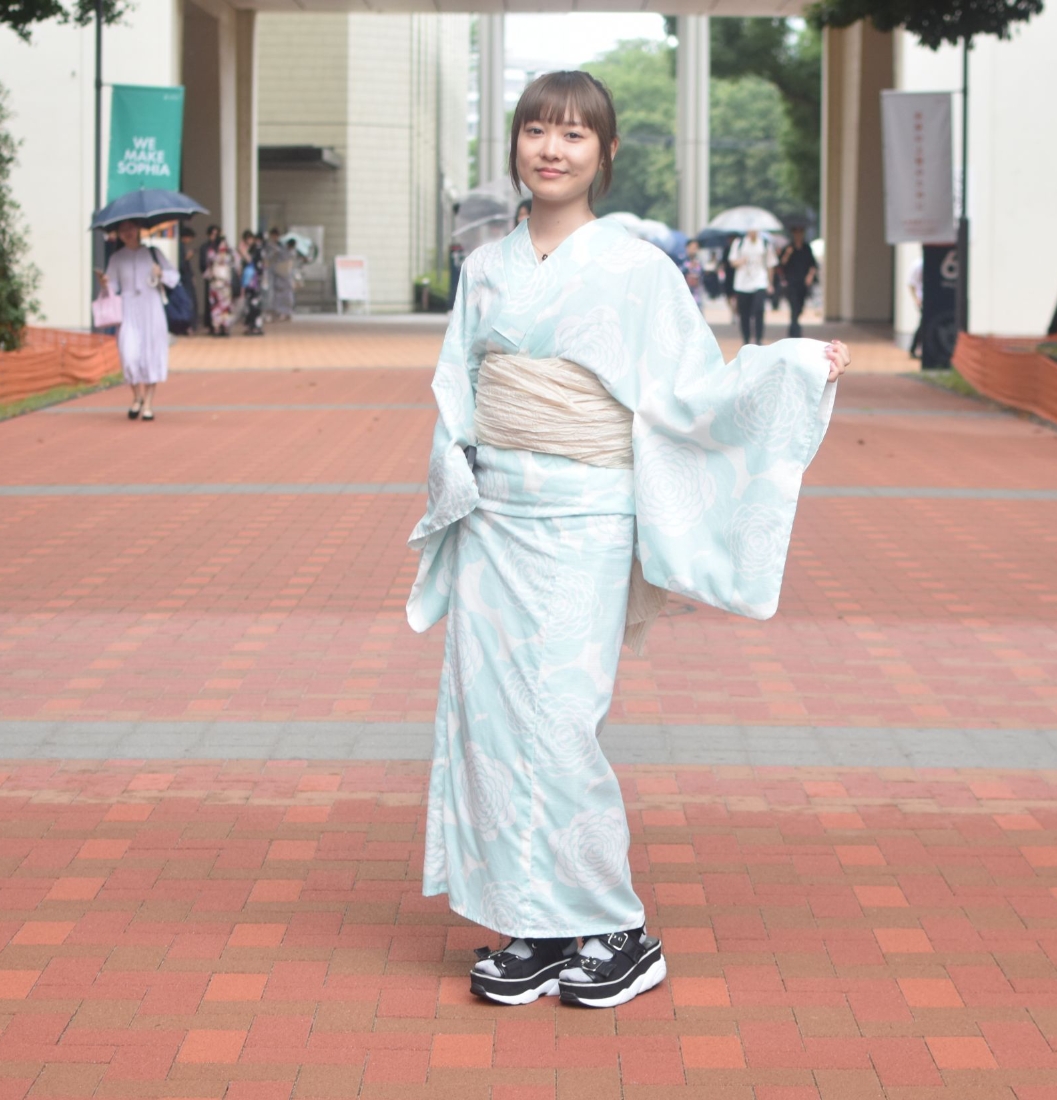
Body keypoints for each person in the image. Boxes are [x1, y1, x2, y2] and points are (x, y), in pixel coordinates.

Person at [406, 70, 849, 1011]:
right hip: (495, 518)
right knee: (491, 719)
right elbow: (458, 390)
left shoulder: (639, 268)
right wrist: (454, 472)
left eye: (573, 134)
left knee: (561, 720)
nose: (551, 148)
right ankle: (532, 924)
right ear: (517, 145)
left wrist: (792, 366)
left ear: (605, 154)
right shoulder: (486, 267)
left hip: (586, 516)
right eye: (535, 129)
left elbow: (692, 392)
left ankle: (614, 928)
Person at [96, 219, 179, 421]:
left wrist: (161, 274)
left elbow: (173, 276)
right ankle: (137, 396)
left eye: (131, 228)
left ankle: (148, 403)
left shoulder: (153, 253)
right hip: (128, 310)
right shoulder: (116, 258)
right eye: (122, 229)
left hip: (151, 308)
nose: (127, 232)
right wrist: (105, 284)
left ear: (139, 229)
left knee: (152, 352)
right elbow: (112, 288)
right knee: (129, 353)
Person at [728, 228, 777, 345]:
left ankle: (759, 338)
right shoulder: (739, 243)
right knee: (744, 313)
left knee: (759, 310)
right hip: (742, 283)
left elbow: (771, 264)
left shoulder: (765, 244)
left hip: (760, 281)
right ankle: (746, 338)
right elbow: (732, 262)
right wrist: (741, 261)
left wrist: (770, 283)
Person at [778, 225, 818, 337]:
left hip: (803, 283)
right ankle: (794, 330)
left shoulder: (807, 248)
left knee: (800, 306)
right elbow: (781, 264)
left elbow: (813, 264)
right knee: (794, 305)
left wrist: (810, 276)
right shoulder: (788, 248)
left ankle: (795, 325)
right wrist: (787, 253)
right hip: (791, 282)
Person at [205, 237, 235, 337]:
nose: (223, 246)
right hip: (215, 284)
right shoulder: (212, 253)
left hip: (226, 286)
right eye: (221, 244)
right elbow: (209, 266)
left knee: (226, 307)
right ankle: (216, 327)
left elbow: (233, 264)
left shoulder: (229, 255)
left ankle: (225, 327)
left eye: (224, 244)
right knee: (216, 307)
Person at [267, 230, 296, 321]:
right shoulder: (270, 246)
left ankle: (287, 312)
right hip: (277, 274)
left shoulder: (283, 247)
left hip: (286, 275)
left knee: (287, 295)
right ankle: (278, 312)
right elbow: (268, 259)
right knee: (277, 295)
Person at [198, 224, 221, 334]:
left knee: (219, 301)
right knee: (209, 301)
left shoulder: (221, 247)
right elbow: (202, 263)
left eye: (216, 234)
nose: (214, 237)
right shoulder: (205, 247)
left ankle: (219, 324)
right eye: (212, 234)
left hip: (220, 278)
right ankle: (210, 324)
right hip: (210, 277)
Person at [680, 237, 704, 310]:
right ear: (687, 247)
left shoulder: (698, 261)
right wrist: (688, 267)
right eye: (693, 248)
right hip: (684, 293)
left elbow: (701, 274)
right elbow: (677, 272)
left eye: (696, 248)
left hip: (696, 293)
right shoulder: (681, 259)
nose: (694, 250)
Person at [907, 256, 924, 358]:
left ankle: (914, 348)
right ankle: (914, 348)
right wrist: (916, 299)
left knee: (923, 325)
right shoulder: (918, 265)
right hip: (922, 299)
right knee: (923, 325)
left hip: (926, 299)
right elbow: (911, 284)